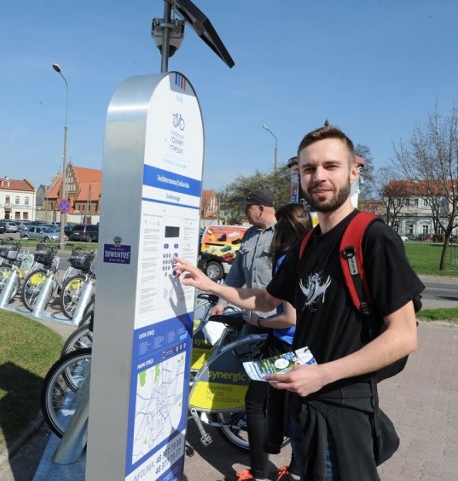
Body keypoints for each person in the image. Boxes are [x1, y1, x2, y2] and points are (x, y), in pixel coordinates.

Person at [175, 125, 424, 481]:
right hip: (305, 406)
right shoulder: (306, 246)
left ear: (354, 172)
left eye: (331, 166)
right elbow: (263, 299)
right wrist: (210, 284)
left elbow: (404, 336)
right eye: (309, 169)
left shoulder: (373, 238)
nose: (319, 176)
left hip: (344, 409)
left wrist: (322, 374)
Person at [236, 203, 312, 481]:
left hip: (285, 345)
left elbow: (289, 318)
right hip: (308, 345)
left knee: (255, 401)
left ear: (283, 228)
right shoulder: (312, 253)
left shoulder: (287, 259)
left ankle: (260, 473)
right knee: (298, 408)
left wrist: (259, 322)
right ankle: (294, 471)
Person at [212, 188, 277, 323]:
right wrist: (221, 303)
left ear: (260, 209)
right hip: (251, 317)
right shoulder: (249, 234)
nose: (245, 212)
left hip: (275, 320)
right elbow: (236, 274)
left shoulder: (284, 234)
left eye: (248, 208)